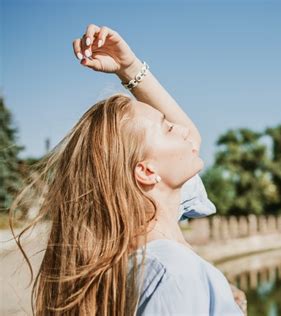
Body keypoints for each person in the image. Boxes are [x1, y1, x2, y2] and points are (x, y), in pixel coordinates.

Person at [9, 24, 245, 315]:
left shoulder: (140, 255)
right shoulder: (173, 273)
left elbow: (190, 140)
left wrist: (128, 67)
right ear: (146, 172)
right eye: (166, 128)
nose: (181, 129)